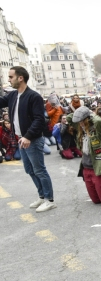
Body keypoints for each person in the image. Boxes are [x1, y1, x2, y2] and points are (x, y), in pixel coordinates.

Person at [0, 66, 56, 212]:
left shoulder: (33, 96)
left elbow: (39, 119)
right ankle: (42, 196)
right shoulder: (12, 95)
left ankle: (49, 200)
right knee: (30, 169)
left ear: (20, 78)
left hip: (32, 139)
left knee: (39, 170)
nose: (8, 79)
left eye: (11, 77)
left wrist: (28, 136)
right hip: (21, 139)